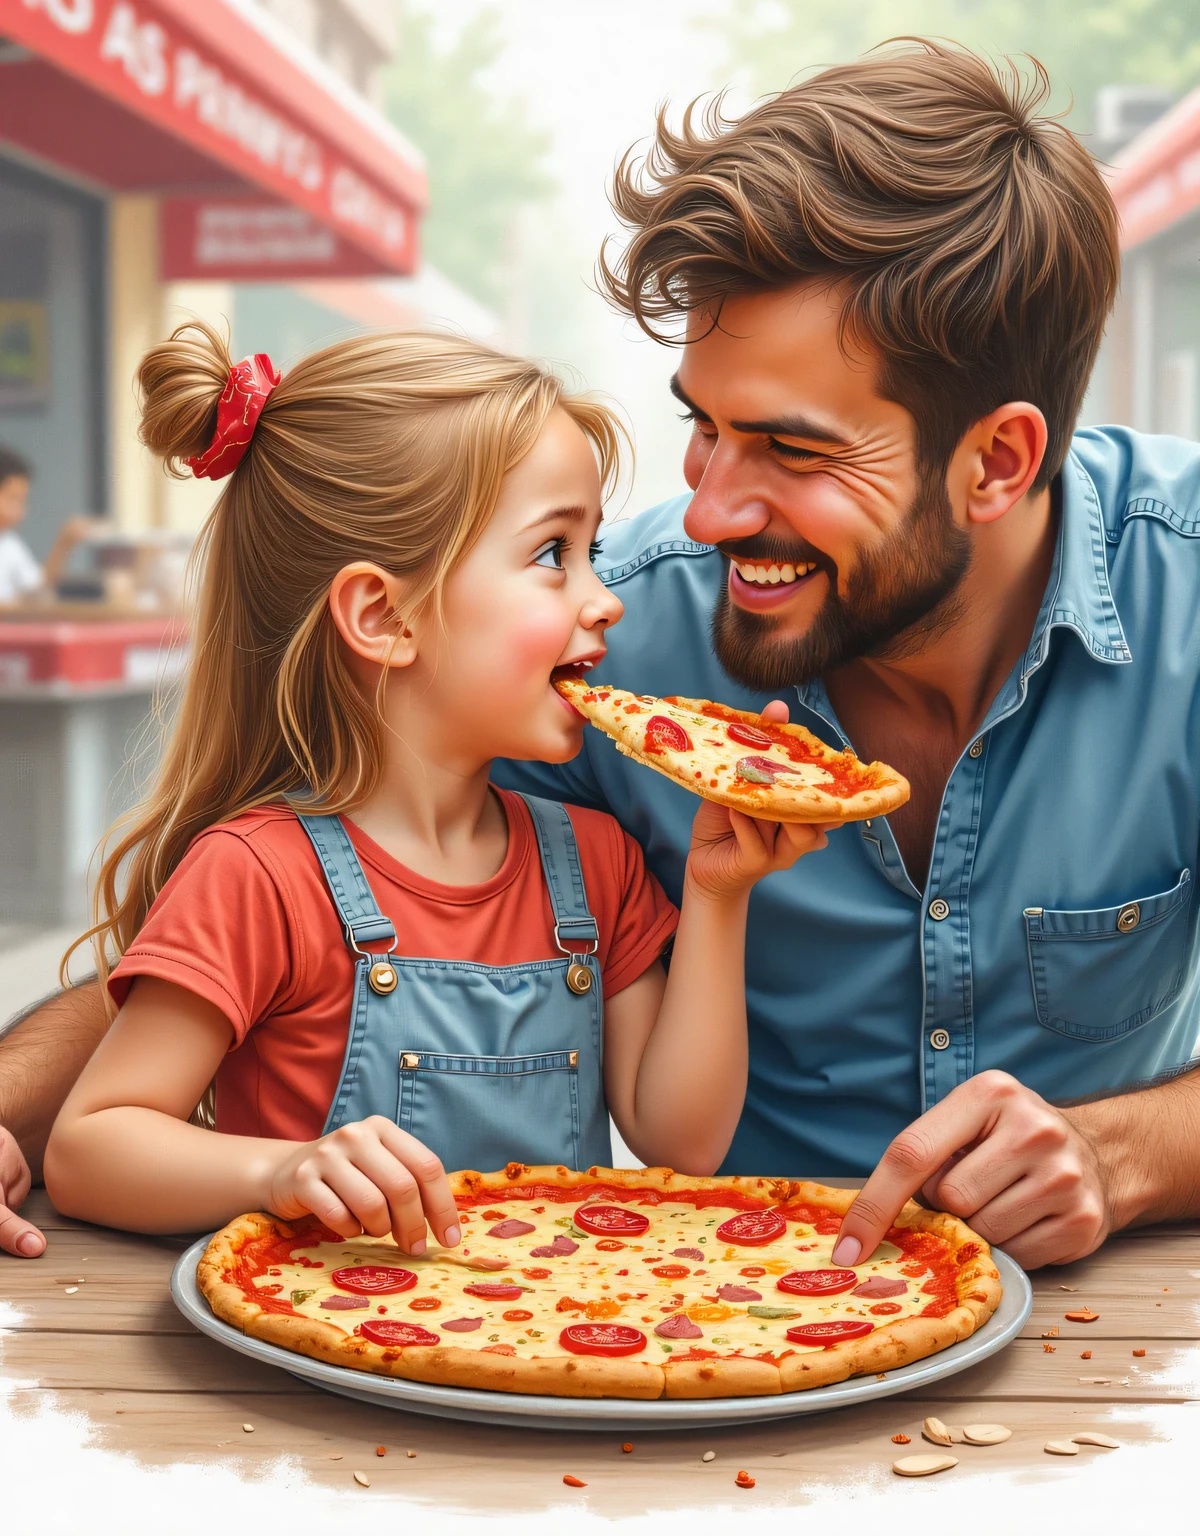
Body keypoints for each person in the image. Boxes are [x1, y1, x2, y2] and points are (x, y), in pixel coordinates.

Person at [7, 40, 1200, 1268]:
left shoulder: (1190, 592)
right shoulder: (594, 652)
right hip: (709, 1323)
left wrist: (1128, 1152)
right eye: (703, 426)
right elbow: (249, 916)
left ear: (997, 462)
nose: (705, 515)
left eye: (790, 449)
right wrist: (10, 1107)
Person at [39, 324, 827, 1250]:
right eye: (551, 555)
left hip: (546, 1344)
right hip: (324, 1358)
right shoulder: (256, 875)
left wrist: (717, 891)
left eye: (594, 547)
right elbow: (89, 1149)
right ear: (384, 618)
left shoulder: (595, 862)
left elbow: (681, 1144)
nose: (605, 596)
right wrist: (280, 1170)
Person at [0, 444, 93, 604]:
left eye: (23, 501)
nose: (21, 511)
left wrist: (63, 544)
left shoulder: (9, 543)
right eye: (13, 499)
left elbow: (38, 590)